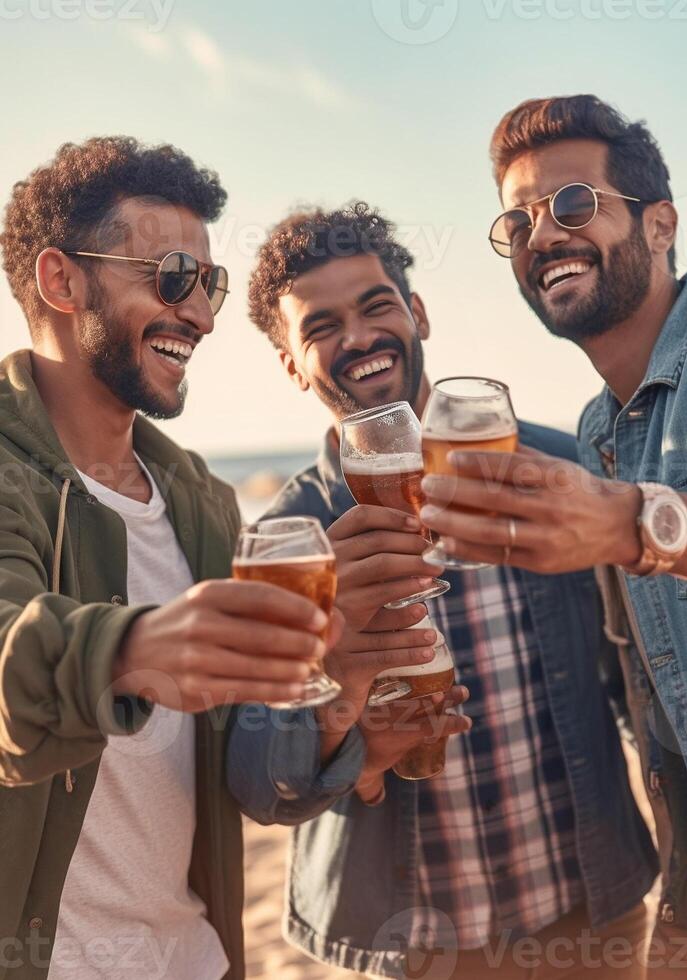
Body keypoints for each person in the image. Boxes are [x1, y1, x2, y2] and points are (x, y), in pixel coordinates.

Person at [228, 202, 657, 979]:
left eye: (376, 305)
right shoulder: (286, 537)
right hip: (409, 948)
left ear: (417, 314)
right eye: (319, 328)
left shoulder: (559, 471)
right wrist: (342, 703)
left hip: (594, 912)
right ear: (291, 362)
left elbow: (640, 683)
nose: (356, 338)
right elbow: (262, 785)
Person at [421, 93, 687, 978]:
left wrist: (631, 522)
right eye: (518, 221)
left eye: (573, 204)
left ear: (660, 224)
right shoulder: (596, 429)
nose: (542, 234)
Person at [0, 136, 334, 980]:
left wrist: (347, 699)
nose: (204, 313)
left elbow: (241, 770)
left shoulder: (203, 501)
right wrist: (134, 651)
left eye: (210, 285)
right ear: (61, 279)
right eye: (174, 276)